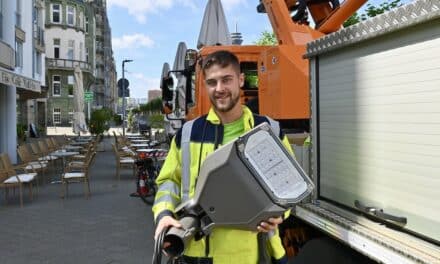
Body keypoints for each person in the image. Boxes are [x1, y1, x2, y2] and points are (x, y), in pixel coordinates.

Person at [153, 50, 295, 264]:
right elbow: (169, 182)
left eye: (226, 80)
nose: (219, 89)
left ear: (240, 80)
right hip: (196, 254)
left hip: (253, 254)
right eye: (212, 82)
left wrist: (279, 216)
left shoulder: (268, 131)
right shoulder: (188, 133)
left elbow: (289, 186)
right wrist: (164, 214)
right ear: (204, 85)